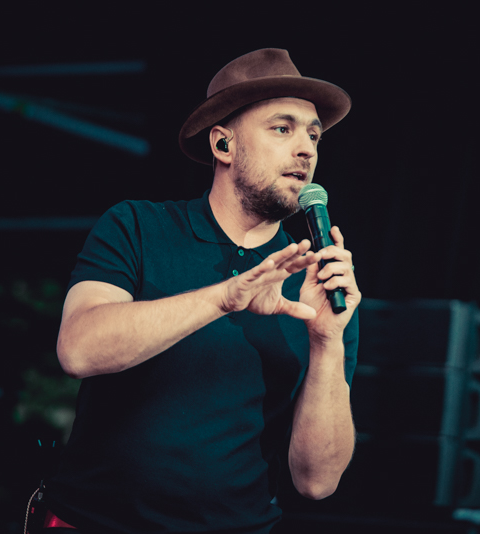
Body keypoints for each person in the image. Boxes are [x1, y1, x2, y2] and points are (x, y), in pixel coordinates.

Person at [42, 48, 360, 533]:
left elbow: (317, 481)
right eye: (283, 128)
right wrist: (224, 297)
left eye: (314, 135)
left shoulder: (318, 284)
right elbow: (79, 349)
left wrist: (327, 340)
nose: (306, 149)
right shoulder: (139, 227)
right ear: (223, 144)